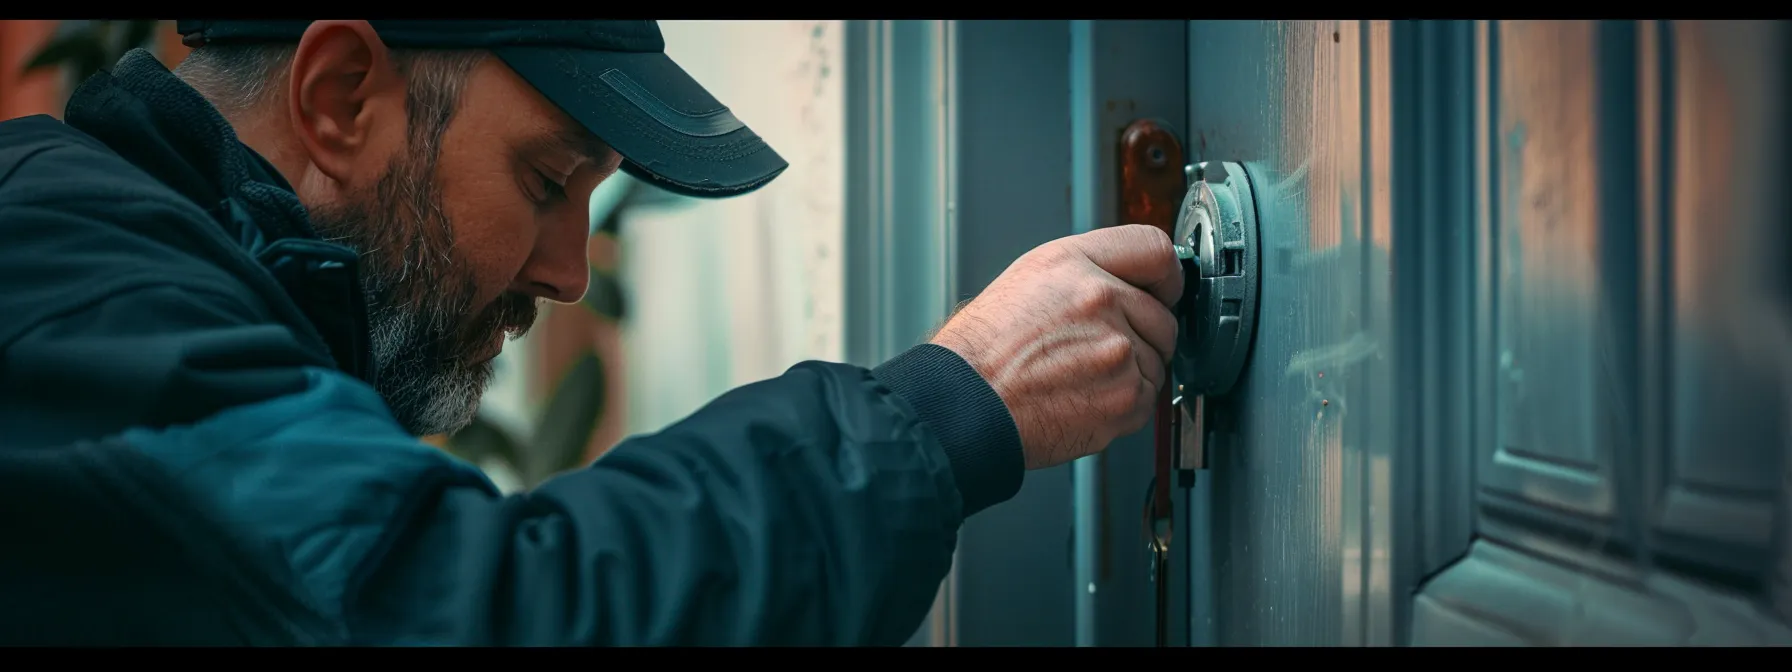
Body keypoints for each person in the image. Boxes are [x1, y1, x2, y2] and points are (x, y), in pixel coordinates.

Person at [0, 20, 1182, 645]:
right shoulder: (75, 295)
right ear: (338, 97)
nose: (569, 272)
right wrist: (949, 408)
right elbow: (464, 617)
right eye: (547, 177)